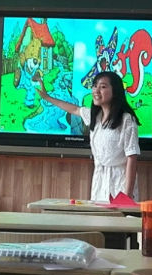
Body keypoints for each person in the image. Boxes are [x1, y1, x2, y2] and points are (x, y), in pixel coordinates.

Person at [36, 70, 141, 202]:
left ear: (115, 91)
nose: (96, 90)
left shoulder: (127, 120)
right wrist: (47, 97)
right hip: (100, 181)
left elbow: (132, 158)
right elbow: (74, 109)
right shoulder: (94, 116)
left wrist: (127, 196)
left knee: (119, 215)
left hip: (120, 183)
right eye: (95, 86)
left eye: (103, 87)